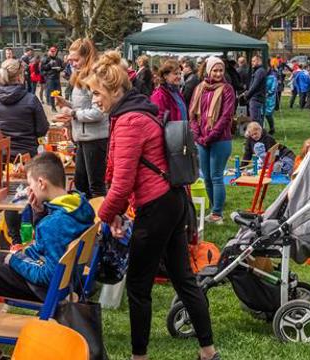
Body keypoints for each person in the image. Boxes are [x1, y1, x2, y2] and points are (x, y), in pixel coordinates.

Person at [88, 50, 218, 360]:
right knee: (183, 279)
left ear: (113, 90)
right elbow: (120, 175)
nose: (94, 100)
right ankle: (208, 352)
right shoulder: (137, 111)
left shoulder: (129, 121)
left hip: (157, 206)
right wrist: (117, 210)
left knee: (138, 285)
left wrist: (102, 218)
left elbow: (121, 182)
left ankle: (139, 356)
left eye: (96, 93)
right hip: (172, 201)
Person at [0, 152, 94, 346]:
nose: (29, 190)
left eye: (31, 185)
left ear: (42, 183)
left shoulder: (54, 224)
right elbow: (50, 244)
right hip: (62, 279)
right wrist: (38, 212)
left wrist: (15, 259)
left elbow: (47, 275)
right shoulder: (78, 204)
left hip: (42, 287)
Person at [0, 58, 49, 249]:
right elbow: (42, 128)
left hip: (4, 157)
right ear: (21, 76)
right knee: (31, 195)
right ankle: (30, 239)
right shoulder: (30, 99)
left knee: (9, 196)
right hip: (27, 155)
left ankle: (11, 239)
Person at [54, 38, 109, 199]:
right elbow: (83, 106)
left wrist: (72, 113)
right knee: (81, 183)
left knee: (95, 185)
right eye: (71, 60)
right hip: (83, 138)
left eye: (76, 60)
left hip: (95, 139)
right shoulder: (79, 77)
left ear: (87, 57)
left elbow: (98, 112)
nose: (73, 64)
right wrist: (67, 104)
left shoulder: (96, 78)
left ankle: (100, 221)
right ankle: (86, 220)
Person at [190, 57, 236, 224]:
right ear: (208, 70)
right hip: (202, 140)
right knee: (207, 177)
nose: (218, 73)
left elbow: (226, 116)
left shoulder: (227, 89)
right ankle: (212, 210)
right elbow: (193, 114)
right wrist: (197, 135)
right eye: (215, 70)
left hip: (220, 139)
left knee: (216, 176)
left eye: (221, 70)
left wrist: (210, 136)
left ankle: (217, 213)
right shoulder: (199, 88)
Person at [243, 55, 267, 126]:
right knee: (257, 119)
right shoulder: (258, 71)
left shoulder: (260, 71)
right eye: (251, 61)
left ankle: (258, 135)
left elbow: (255, 85)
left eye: (254, 61)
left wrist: (247, 95)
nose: (252, 63)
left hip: (256, 98)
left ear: (259, 61)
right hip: (256, 97)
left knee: (255, 119)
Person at [42, 46, 64, 112]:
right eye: (51, 51)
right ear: (49, 51)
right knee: (52, 93)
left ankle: (61, 106)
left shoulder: (58, 59)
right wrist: (49, 64)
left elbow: (62, 67)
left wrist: (60, 69)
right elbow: (43, 68)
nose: (53, 52)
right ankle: (53, 107)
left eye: (54, 51)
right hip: (50, 78)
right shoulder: (46, 59)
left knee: (59, 93)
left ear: (56, 51)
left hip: (57, 78)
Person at [263, 67, 278, 134]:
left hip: (269, 98)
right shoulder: (262, 75)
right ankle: (262, 129)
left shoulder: (273, 77)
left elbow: (274, 88)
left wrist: (268, 93)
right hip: (262, 97)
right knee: (261, 114)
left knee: (268, 114)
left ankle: (272, 128)